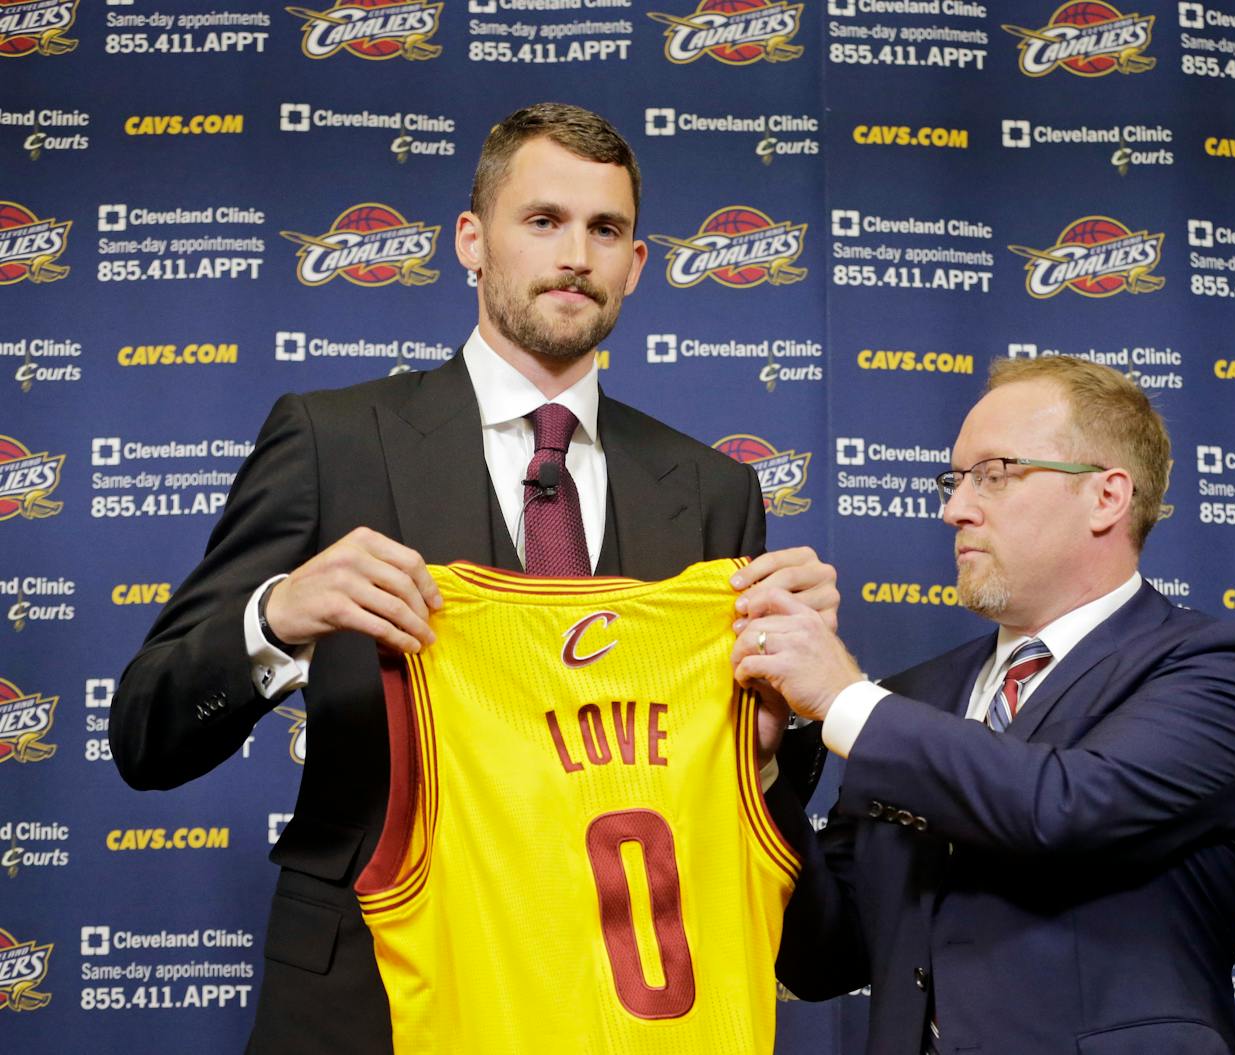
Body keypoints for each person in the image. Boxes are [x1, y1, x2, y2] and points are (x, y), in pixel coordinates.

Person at [110, 102, 835, 1054]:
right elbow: (144, 731)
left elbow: (738, 795)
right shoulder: (334, 440)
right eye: (543, 221)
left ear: (637, 264)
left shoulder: (712, 489)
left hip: (620, 1002)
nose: (576, 253)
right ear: (471, 241)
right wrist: (277, 618)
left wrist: (779, 736)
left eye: (605, 229)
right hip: (367, 997)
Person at [734, 355, 1235, 1055]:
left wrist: (845, 699)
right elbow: (823, 955)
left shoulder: (1222, 666)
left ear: (1106, 496)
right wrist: (761, 771)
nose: (954, 508)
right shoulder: (913, 697)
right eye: (954, 479)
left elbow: (1064, 807)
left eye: (994, 475)